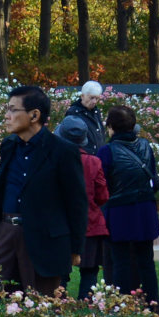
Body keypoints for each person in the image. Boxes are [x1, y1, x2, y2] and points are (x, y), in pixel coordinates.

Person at [0, 85, 88, 296]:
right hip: (6, 234)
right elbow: (2, 192)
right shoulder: (9, 145)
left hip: (44, 240)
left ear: (34, 115)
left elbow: (76, 202)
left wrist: (75, 248)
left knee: (42, 304)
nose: (7, 116)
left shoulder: (62, 151)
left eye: (13, 110)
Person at [98, 105, 159, 309]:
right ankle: (152, 307)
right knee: (147, 262)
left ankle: (123, 308)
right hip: (144, 210)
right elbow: (152, 175)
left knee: (120, 263)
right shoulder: (145, 145)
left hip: (120, 211)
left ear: (111, 126)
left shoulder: (106, 151)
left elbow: (101, 184)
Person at [57, 119, 110, 298]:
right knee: (89, 272)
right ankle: (86, 310)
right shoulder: (93, 162)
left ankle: (56, 309)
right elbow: (102, 196)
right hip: (90, 223)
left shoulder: (54, 160)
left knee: (59, 275)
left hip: (60, 225)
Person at [63, 81, 108, 148]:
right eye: (91, 98)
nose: (94, 101)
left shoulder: (96, 112)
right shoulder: (73, 113)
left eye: (97, 98)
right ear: (82, 96)